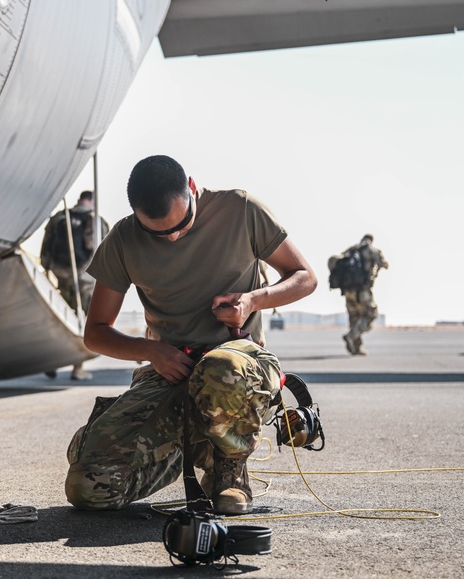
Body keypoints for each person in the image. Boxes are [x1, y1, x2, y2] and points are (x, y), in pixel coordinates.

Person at [64, 155, 316, 515]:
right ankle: (195, 447)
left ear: (193, 189)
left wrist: (251, 301)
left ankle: (229, 470)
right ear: (136, 214)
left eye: (182, 224)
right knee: (89, 488)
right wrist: (152, 351)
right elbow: (96, 333)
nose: (175, 236)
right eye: (160, 232)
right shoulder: (123, 238)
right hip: (171, 371)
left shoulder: (241, 209)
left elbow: (304, 277)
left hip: (236, 367)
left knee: (220, 366)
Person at [40, 190, 109, 380]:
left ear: (79, 200)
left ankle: (52, 361)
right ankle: (77, 367)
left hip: (62, 276)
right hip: (86, 280)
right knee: (86, 323)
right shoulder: (97, 221)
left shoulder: (60, 218)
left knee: (60, 320)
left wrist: (47, 270)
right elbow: (105, 252)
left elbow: (45, 249)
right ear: (92, 202)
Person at [332, 234, 388, 356]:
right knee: (371, 314)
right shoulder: (372, 250)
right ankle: (351, 336)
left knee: (355, 318)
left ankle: (356, 348)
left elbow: (337, 262)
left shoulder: (351, 250)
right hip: (362, 290)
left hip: (347, 291)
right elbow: (383, 263)